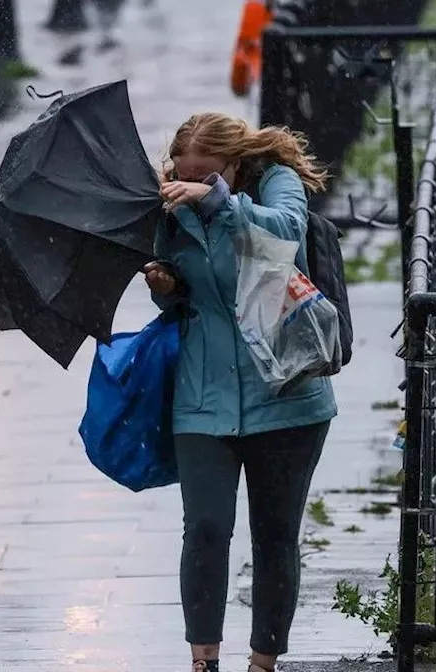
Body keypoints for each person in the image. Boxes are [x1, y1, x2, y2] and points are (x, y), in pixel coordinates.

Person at [143, 112, 338, 672]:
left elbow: (284, 235)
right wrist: (166, 287)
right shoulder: (171, 202)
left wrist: (217, 202)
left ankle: (263, 662)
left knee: (274, 534)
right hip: (204, 397)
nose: (192, 181)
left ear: (232, 165)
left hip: (287, 393)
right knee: (204, 528)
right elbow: (186, 292)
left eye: (206, 173)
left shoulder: (274, 181)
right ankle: (203, 659)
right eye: (184, 172)